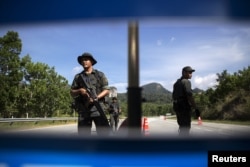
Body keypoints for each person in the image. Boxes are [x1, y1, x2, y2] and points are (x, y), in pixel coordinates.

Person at [70, 52, 110, 136]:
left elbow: (106, 90)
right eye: (82, 60)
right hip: (84, 110)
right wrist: (80, 90)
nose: (84, 62)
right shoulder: (78, 77)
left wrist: (96, 97)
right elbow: (72, 92)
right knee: (83, 137)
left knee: (104, 135)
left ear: (91, 62)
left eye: (86, 60)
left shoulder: (99, 75)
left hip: (98, 109)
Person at [172, 66, 200, 136]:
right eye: (189, 72)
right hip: (184, 107)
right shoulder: (186, 82)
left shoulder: (176, 83)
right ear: (184, 73)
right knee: (186, 128)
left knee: (182, 126)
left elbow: (173, 96)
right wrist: (195, 108)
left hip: (177, 107)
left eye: (191, 72)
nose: (191, 74)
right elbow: (189, 96)